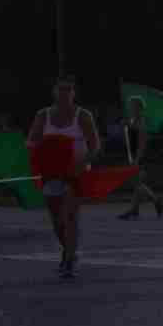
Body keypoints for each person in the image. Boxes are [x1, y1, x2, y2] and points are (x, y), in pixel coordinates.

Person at [27, 76, 101, 278]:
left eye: (68, 89)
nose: (65, 93)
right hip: (51, 172)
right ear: (54, 92)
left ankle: (69, 260)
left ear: (74, 93)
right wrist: (40, 156)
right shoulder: (42, 115)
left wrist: (83, 162)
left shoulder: (83, 115)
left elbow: (95, 146)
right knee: (56, 219)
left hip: (76, 173)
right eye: (61, 89)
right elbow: (31, 142)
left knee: (70, 215)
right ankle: (68, 250)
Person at [115, 95, 163, 220]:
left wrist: (137, 159)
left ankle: (156, 201)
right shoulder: (133, 120)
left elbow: (142, 141)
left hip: (140, 155)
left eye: (132, 106)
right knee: (137, 183)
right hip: (133, 155)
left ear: (138, 107)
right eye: (130, 106)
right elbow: (129, 136)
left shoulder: (141, 120)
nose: (130, 108)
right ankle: (136, 209)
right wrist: (125, 126)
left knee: (137, 183)